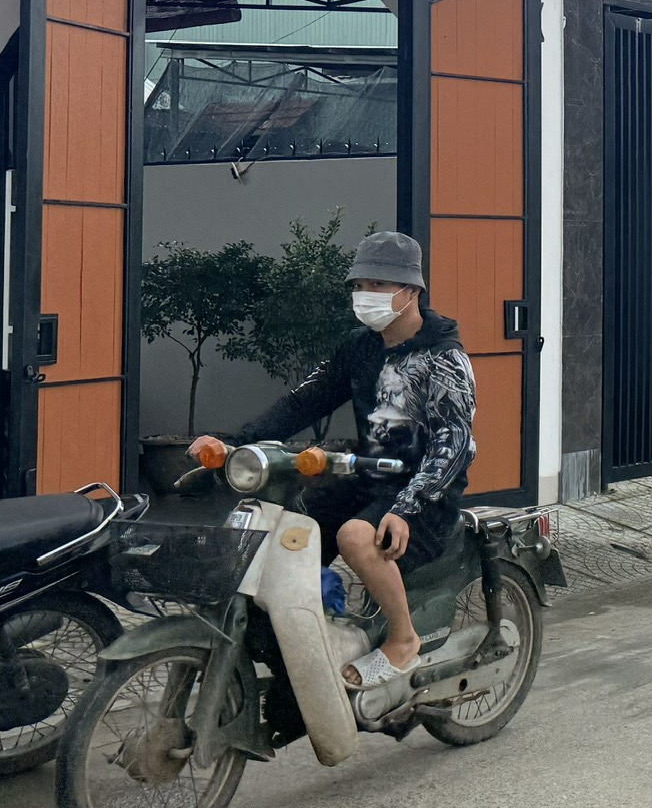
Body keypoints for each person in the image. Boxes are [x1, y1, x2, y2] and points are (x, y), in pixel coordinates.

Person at [192, 230, 476, 691]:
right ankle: (308, 638)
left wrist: (408, 507)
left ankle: (403, 639)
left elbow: (454, 441)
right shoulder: (358, 347)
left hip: (425, 489)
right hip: (369, 475)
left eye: (378, 284)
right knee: (291, 528)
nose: (366, 295)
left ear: (411, 290)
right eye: (359, 285)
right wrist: (234, 442)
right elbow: (304, 402)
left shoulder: (444, 357)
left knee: (355, 537)